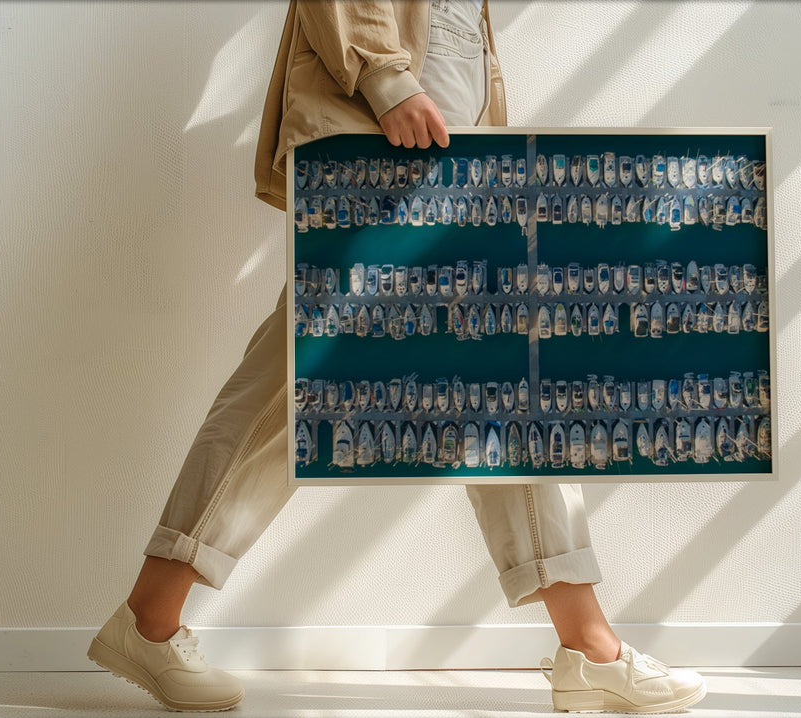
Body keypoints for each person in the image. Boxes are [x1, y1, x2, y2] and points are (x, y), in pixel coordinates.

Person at [87, 1, 707, 713]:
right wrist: (387, 80)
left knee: (495, 389)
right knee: (301, 387)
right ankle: (150, 616)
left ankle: (588, 647)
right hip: (379, 144)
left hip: (450, 163)